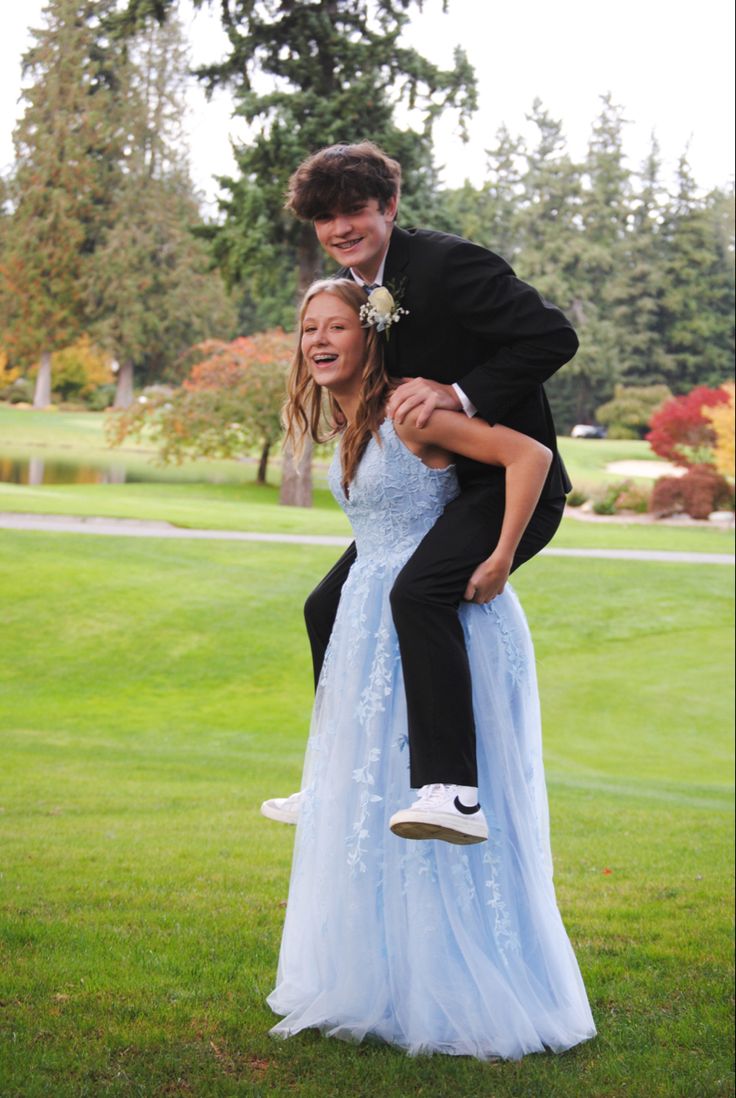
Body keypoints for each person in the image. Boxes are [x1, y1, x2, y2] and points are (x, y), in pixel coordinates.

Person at [267, 278, 596, 1058]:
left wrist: (503, 556)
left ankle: (469, 989)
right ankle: (385, 981)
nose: (319, 340)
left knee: (430, 795)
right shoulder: (348, 421)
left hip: (442, 620)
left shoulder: (408, 413)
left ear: (370, 336)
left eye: (337, 326)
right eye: (308, 327)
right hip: (371, 627)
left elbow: (529, 455)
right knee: (375, 789)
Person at [262, 140, 576, 841]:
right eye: (325, 218)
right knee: (325, 605)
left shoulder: (446, 264)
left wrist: (461, 393)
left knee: (419, 591)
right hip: (447, 483)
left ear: (389, 207)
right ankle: (330, 775)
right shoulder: (356, 289)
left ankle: (453, 793)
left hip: (506, 478)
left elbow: (553, 336)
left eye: (354, 212)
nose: (340, 228)